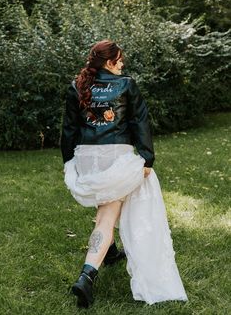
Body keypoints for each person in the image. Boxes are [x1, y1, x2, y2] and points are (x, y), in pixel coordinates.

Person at [61, 39, 188, 308]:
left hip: (86, 156)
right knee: (106, 219)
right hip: (114, 155)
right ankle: (87, 275)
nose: (123, 63)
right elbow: (140, 122)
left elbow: (69, 130)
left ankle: (110, 252)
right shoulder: (127, 84)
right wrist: (147, 158)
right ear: (109, 62)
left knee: (106, 203)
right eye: (119, 59)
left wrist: (69, 161)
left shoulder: (77, 85)